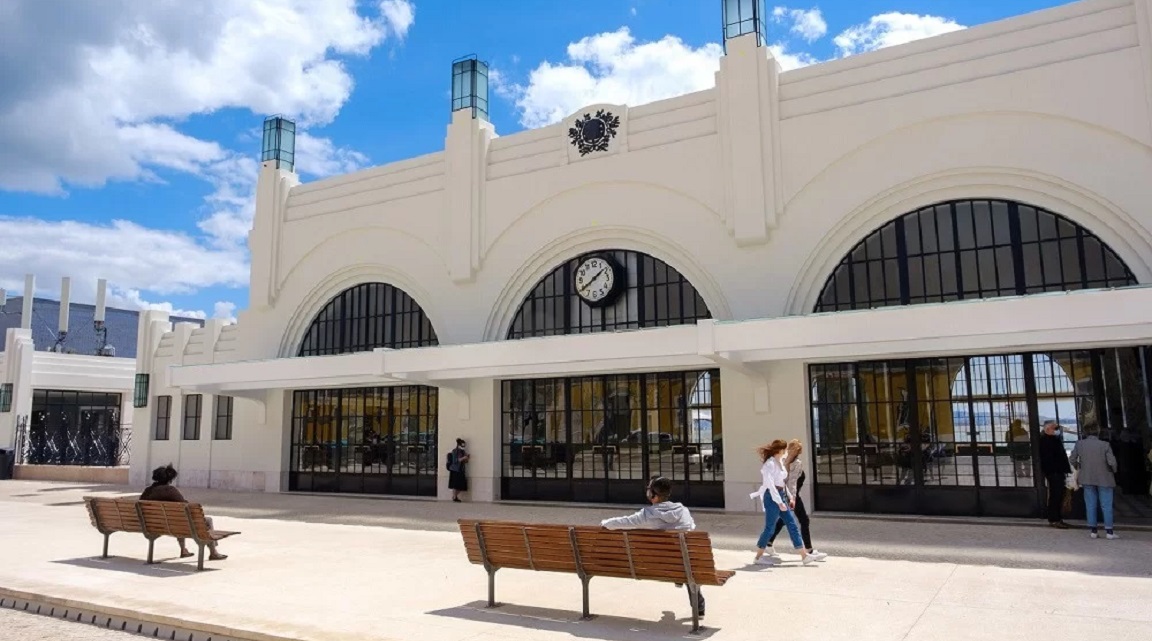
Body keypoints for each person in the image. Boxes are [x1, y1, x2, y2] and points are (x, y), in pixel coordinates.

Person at [601, 476, 705, 619]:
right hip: (683, 562)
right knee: (685, 561)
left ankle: (678, 576)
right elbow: (691, 526)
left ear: (652, 495)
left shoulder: (647, 515)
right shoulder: (683, 511)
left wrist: (605, 522)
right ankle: (698, 607)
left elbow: (623, 522)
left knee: (673, 559)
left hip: (655, 565)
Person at [139, 464, 226, 561]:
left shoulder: (147, 491)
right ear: (169, 479)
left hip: (153, 525)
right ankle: (213, 552)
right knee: (205, 520)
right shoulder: (170, 491)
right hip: (174, 524)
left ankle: (184, 550)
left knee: (178, 519)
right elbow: (185, 506)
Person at [751, 440, 817, 566]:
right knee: (769, 527)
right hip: (772, 497)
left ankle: (804, 556)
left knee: (792, 524)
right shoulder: (769, 464)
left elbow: (782, 482)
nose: (786, 451)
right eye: (785, 449)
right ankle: (758, 557)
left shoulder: (780, 462)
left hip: (780, 494)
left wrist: (791, 497)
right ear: (779, 450)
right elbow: (770, 485)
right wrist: (779, 502)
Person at [764, 439, 828, 560]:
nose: (795, 451)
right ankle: (808, 550)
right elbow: (791, 482)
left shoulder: (788, 461)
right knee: (803, 520)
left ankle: (768, 542)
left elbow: (788, 481)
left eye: (797, 449)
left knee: (784, 520)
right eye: (793, 448)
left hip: (788, 494)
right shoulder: (790, 462)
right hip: (790, 495)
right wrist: (791, 498)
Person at [1070, 424, 1120, 539]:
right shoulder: (1105, 445)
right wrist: (1114, 471)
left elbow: (1072, 459)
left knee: (1090, 504)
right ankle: (1109, 531)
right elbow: (1112, 462)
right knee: (1106, 504)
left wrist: (1079, 467)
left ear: (1085, 433)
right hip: (1105, 477)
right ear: (1098, 433)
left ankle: (1093, 531)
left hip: (1087, 476)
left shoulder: (1079, 444)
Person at [1037, 421, 1072, 529]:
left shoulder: (1053, 439)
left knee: (1059, 494)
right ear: (1047, 429)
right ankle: (1054, 518)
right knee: (1055, 495)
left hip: (1058, 471)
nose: (1056, 430)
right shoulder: (1044, 441)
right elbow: (1048, 458)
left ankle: (1058, 518)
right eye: (1054, 428)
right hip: (1054, 472)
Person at [447, 438, 470, 502]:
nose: (463, 447)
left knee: (462, 485)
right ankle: (455, 497)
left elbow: (465, 461)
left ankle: (454, 496)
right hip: (455, 470)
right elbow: (455, 461)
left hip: (461, 470)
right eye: (462, 445)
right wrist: (463, 458)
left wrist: (467, 458)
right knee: (455, 485)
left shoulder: (463, 452)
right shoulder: (455, 451)